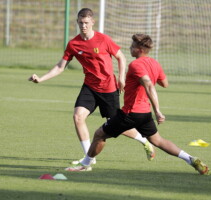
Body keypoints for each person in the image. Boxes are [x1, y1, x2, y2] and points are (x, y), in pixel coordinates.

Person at [65, 33, 209, 175]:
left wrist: (158, 110)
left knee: (99, 135)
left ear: (140, 50)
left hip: (130, 113)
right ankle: (190, 159)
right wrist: (152, 78)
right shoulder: (154, 63)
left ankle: (85, 164)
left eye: (133, 46)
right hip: (145, 113)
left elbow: (148, 85)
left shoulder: (135, 65)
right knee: (157, 140)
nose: (130, 48)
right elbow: (164, 83)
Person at [28, 8, 155, 164]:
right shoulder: (73, 44)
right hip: (89, 87)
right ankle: (89, 157)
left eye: (86, 23)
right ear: (77, 22)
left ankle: (144, 141)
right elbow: (60, 67)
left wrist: (121, 78)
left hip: (109, 88)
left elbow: (121, 57)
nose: (83, 26)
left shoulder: (103, 39)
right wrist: (41, 79)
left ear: (92, 22)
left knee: (117, 124)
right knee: (78, 117)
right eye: (81, 22)